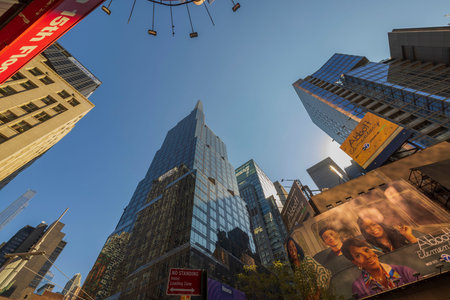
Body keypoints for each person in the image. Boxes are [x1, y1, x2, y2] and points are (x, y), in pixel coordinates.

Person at [341, 238, 418, 299]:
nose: (367, 256)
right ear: (355, 262)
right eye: (358, 255)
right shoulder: (359, 287)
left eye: (366, 250)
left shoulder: (403, 271)